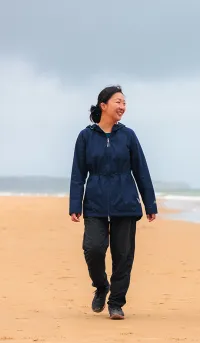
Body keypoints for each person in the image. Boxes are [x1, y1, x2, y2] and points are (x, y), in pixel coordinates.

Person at [69, 85, 158, 320]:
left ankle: (116, 303)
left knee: (123, 255)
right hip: (95, 202)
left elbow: (141, 170)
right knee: (93, 249)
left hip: (125, 202)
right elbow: (78, 173)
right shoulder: (86, 136)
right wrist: (75, 204)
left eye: (124, 103)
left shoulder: (128, 135)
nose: (122, 107)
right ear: (103, 105)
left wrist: (150, 204)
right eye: (118, 102)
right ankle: (101, 285)